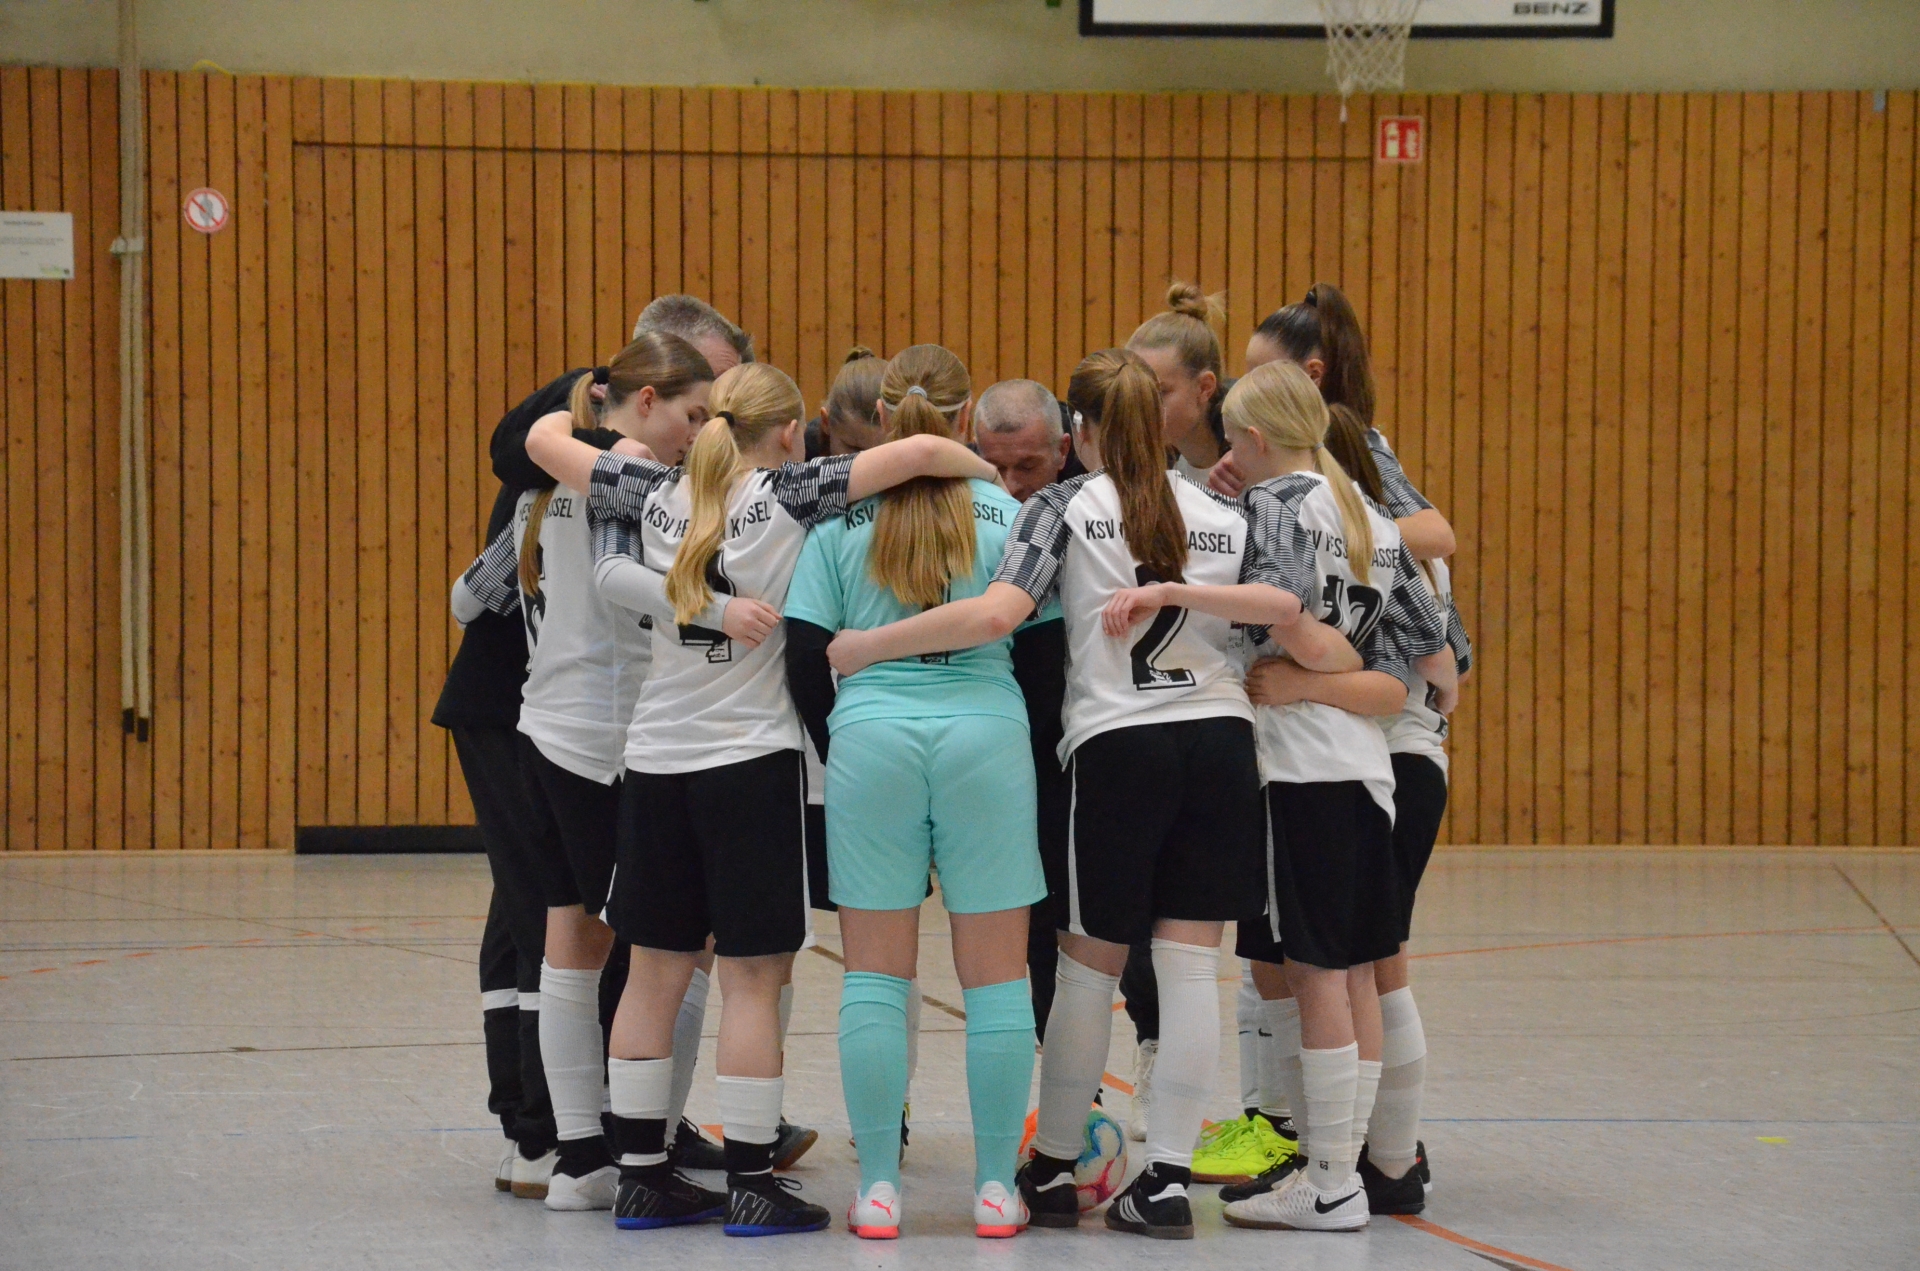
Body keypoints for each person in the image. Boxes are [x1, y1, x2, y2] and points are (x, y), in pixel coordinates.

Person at [825, 348, 1357, 1240]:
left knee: (1087, 963)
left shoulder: (1063, 507)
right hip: (1222, 740)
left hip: (1119, 748)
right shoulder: (1228, 507)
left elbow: (996, 614)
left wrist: (866, 645)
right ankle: (1168, 1180)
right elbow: (1288, 610)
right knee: (1190, 965)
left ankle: (1054, 1164)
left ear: (1078, 432)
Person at [524, 361, 1001, 1237]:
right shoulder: (791, 491)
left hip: (656, 759)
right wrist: (991, 480)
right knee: (752, 977)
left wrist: (580, 407)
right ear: (788, 432)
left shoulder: (648, 488)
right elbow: (923, 452)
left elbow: (544, 451)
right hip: (750, 763)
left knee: (652, 970)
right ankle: (750, 1177)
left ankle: (640, 1176)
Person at [784, 345, 1056, 1239]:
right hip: (987, 736)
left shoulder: (839, 519)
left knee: (874, 977)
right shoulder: (1011, 513)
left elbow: (803, 654)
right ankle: (994, 1188)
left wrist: (847, 744)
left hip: (872, 740)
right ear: (966, 416)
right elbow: (1044, 656)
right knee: (998, 981)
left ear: (882, 415)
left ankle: (877, 1189)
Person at [452, 333, 718, 1212]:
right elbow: (629, 585)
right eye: (692, 413)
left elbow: (468, 596)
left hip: (542, 728)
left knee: (570, 935)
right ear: (645, 402)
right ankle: (649, 1148)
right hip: (616, 738)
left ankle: (578, 1159)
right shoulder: (640, 483)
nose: (700, 432)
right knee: (678, 942)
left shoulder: (542, 487)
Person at [1233, 281, 1466, 1207]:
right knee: (1340, 963)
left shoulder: (1324, 490)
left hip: (1354, 753)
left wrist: (1308, 668)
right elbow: (1437, 659)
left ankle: (1362, 1166)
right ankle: (1353, 1160)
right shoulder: (1334, 507)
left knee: (1352, 966)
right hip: (1368, 744)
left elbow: (1316, 620)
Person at [1128, 282, 1232, 486]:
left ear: (1204, 388)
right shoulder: (1160, 470)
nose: (1141, 408)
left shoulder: (1257, 470)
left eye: (1159, 393)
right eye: (1135, 392)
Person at [973, 378, 1080, 503]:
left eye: (1026, 467)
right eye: (995, 469)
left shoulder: (1094, 491)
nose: (1010, 489)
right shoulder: (961, 476)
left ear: (1062, 450)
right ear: (977, 453)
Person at [805, 346, 888, 458]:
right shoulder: (802, 452)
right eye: (856, 450)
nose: (870, 462)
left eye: (883, 451)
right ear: (826, 422)